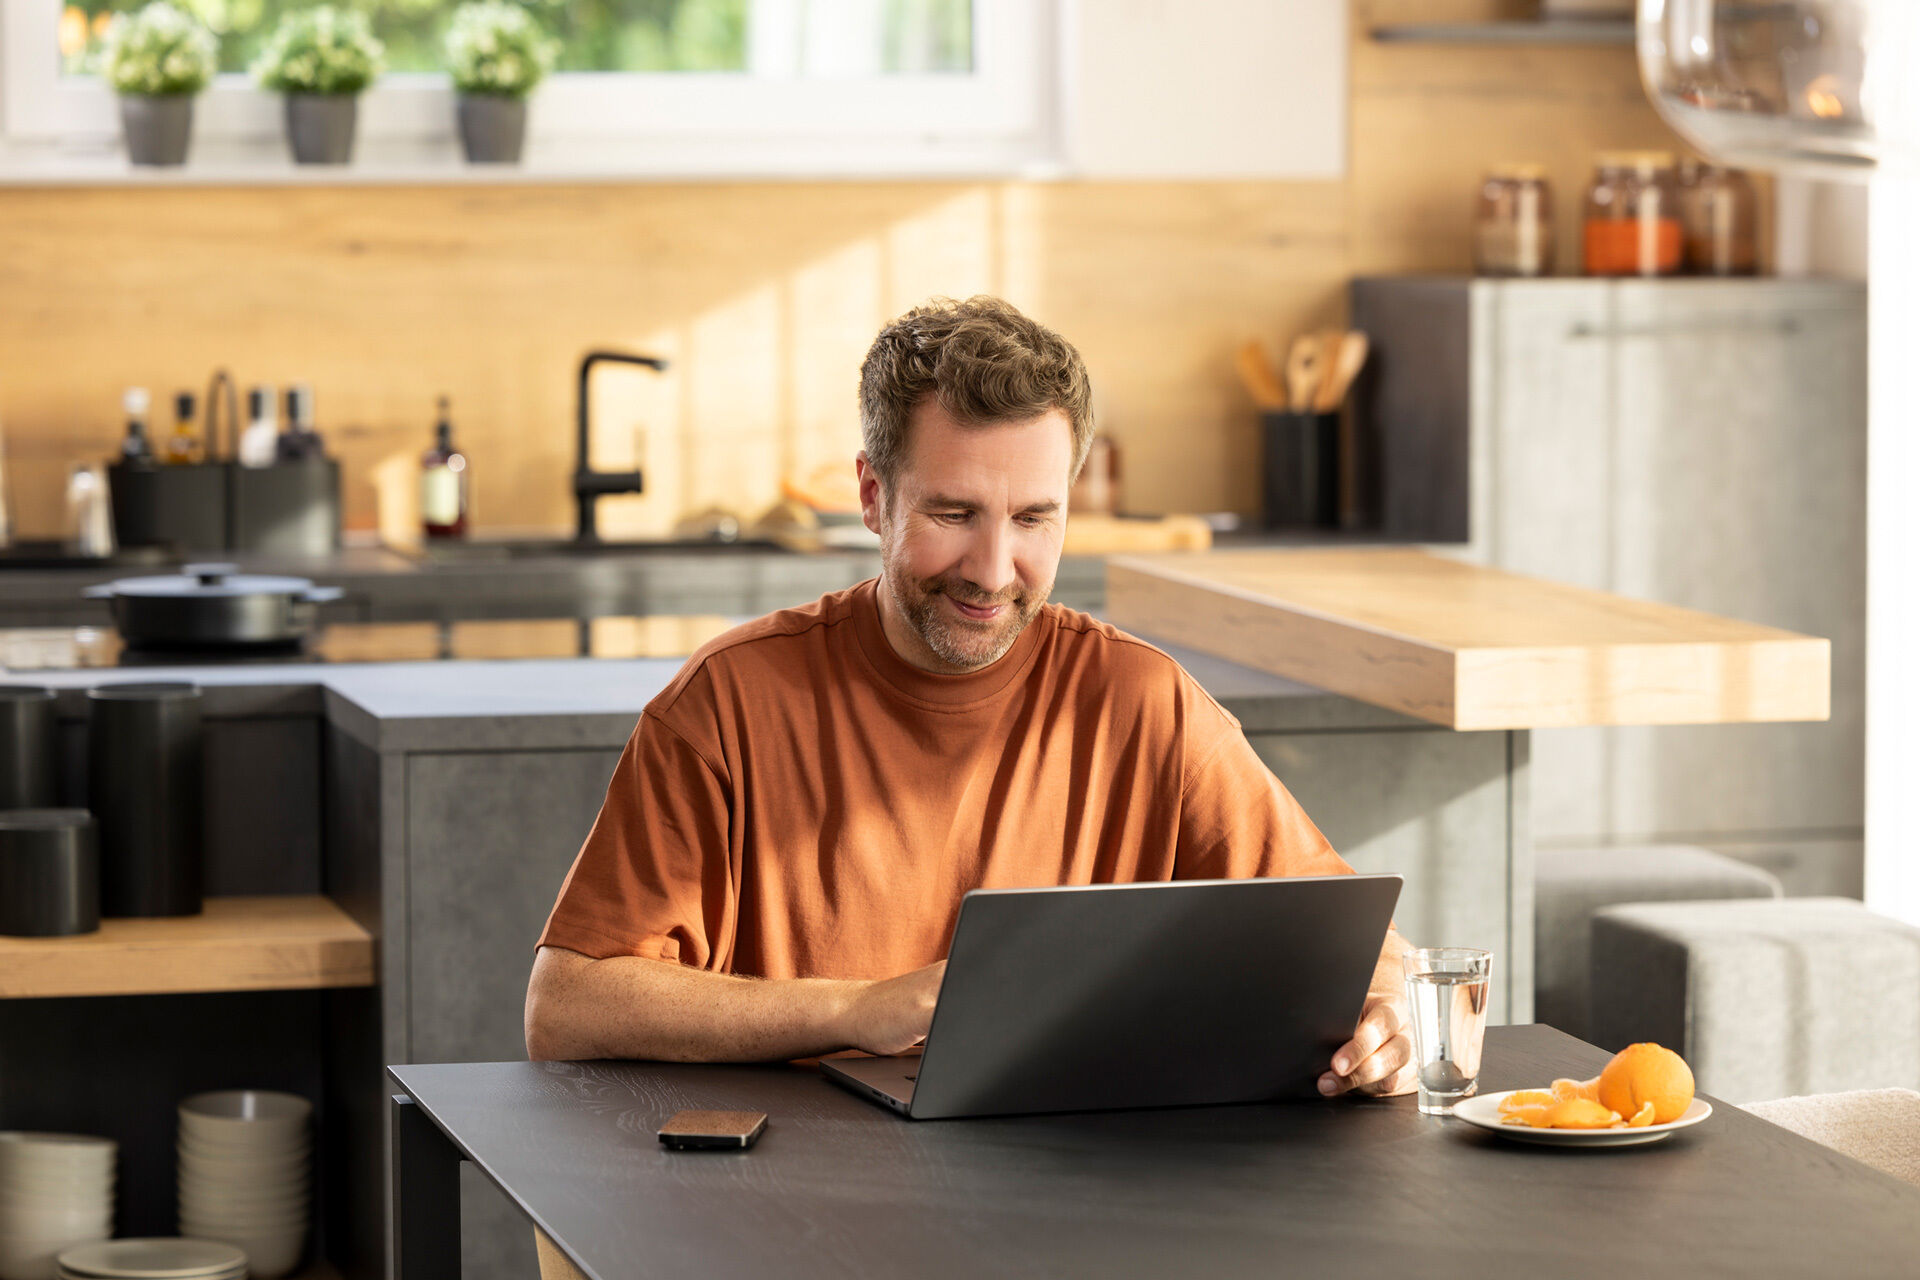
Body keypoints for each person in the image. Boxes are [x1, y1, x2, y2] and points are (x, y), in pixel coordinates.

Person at [524, 295, 1414, 1099]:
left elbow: (1366, 958)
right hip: (800, 1208)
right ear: (874, 497)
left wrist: (1388, 1024)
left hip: (1078, 1208)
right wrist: (854, 1010)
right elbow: (567, 1007)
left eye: (1033, 520)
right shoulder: (729, 703)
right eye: (954, 515)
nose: (993, 574)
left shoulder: (1144, 703)